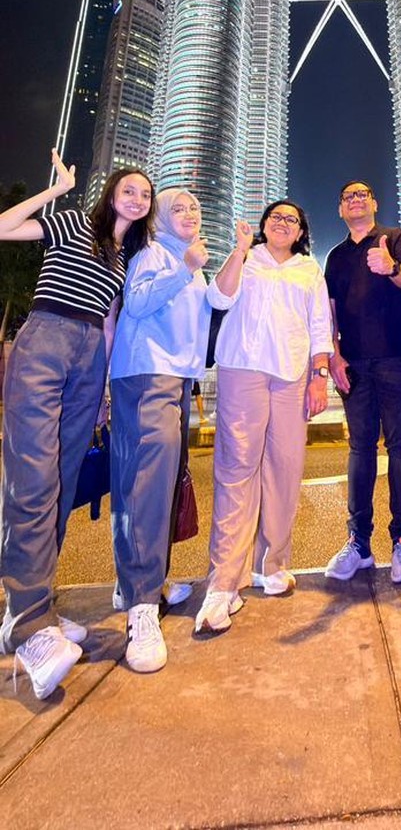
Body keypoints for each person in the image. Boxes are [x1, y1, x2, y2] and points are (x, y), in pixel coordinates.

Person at [0, 150, 154, 700]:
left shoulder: (122, 258)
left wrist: (107, 388)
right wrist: (56, 189)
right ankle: (30, 627)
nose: (136, 198)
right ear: (112, 191)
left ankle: (28, 606)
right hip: (46, 336)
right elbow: (4, 226)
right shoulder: (71, 224)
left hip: (91, 357)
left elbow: (110, 327)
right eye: (129, 189)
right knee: (33, 478)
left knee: (60, 484)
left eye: (144, 194)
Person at [108, 188, 238, 672]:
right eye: (177, 208)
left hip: (175, 376)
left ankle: (141, 583)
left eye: (194, 208)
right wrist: (184, 267)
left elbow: (212, 307)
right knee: (146, 487)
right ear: (162, 218)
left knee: (151, 486)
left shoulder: (190, 261)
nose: (189, 214)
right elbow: (137, 304)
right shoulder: (153, 252)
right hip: (147, 373)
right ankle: (142, 609)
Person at [195, 200, 332, 634]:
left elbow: (319, 324)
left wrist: (319, 376)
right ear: (263, 225)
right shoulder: (247, 257)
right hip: (242, 369)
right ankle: (224, 582)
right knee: (236, 468)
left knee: (285, 469)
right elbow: (218, 296)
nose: (283, 224)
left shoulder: (309, 268)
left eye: (292, 219)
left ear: (300, 230)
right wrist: (238, 250)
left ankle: (271, 564)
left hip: (291, 375)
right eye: (276, 217)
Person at [324, 181, 401, 584]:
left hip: (399, 356)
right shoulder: (335, 257)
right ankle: (358, 542)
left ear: (374, 203)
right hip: (355, 363)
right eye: (348, 196)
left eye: (363, 194)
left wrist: (392, 268)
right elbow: (328, 310)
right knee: (360, 448)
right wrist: (333, 355)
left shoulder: (395, 238)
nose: (356, 200)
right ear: (341, 210)